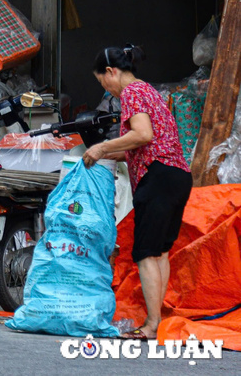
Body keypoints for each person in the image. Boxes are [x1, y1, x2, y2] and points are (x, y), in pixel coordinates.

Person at [82, 45, 192, 340]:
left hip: (157, 178)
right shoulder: (148, 91)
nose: (106, 89)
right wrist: (105, 155)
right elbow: (142, 144)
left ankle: (152, 324)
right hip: (177, 176)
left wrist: (103, 146)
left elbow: (143, 134)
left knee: (145, 253)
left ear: (111, 72)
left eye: (102, 82)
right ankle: (158, 319)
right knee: (159, 252)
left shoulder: (131, 93)